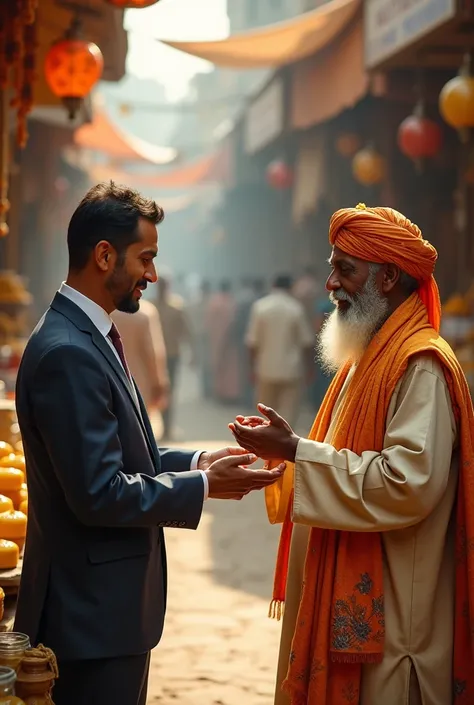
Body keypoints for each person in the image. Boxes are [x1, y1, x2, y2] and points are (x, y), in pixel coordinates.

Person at [14, 181, 285, 705]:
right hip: (88, 620)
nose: (153, 275)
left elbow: (124, 455)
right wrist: (203, 486)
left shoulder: (89, 334)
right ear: (103, 255)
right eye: (146, 258)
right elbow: (99, 492)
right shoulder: (69, 350)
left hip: (102, 616)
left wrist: (201, 460)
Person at [230, 203, 474, 705]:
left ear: (386, 277)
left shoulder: (418, 363)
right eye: (331, 268)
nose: (331, 285)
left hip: (396, 618)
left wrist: (296, 449)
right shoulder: (368, 355)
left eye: (345, 269)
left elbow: (408, 484)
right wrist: (291, 449)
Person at [245, 274, 314, 428]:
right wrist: (310, 368)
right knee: (288, 415)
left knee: (264, 414)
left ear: (273, 286)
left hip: (265, 368)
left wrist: (251, 368)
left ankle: (265, 448)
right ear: (290, 287)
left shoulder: (260, 307)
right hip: (292, 370)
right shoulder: (295, 308)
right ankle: (284, 449)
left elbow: (252, 342)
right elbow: (307, 342)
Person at [112, 298, 169, 419]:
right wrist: (158, 382)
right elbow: (153, 351)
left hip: (109, 380)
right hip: (139, 382)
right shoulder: (146, 312)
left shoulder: (106, 311)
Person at [156, 273, 194, 440]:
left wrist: (192, 351)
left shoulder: (174, 306)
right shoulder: (150, 306)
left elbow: (186, 331)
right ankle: (162, 425)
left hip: (169, 355)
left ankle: (167, 426)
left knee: (168, 391)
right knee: (157, 390)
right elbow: (186, 332)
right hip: (158, 354)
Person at [205, 280, 239, 403]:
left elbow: (208, 323)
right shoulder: (232, 302)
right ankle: (230, 395)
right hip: (231, 340)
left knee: (218, 366)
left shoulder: (214, 302)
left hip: (216, 339)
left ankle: (219, 393)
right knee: (231, 368)